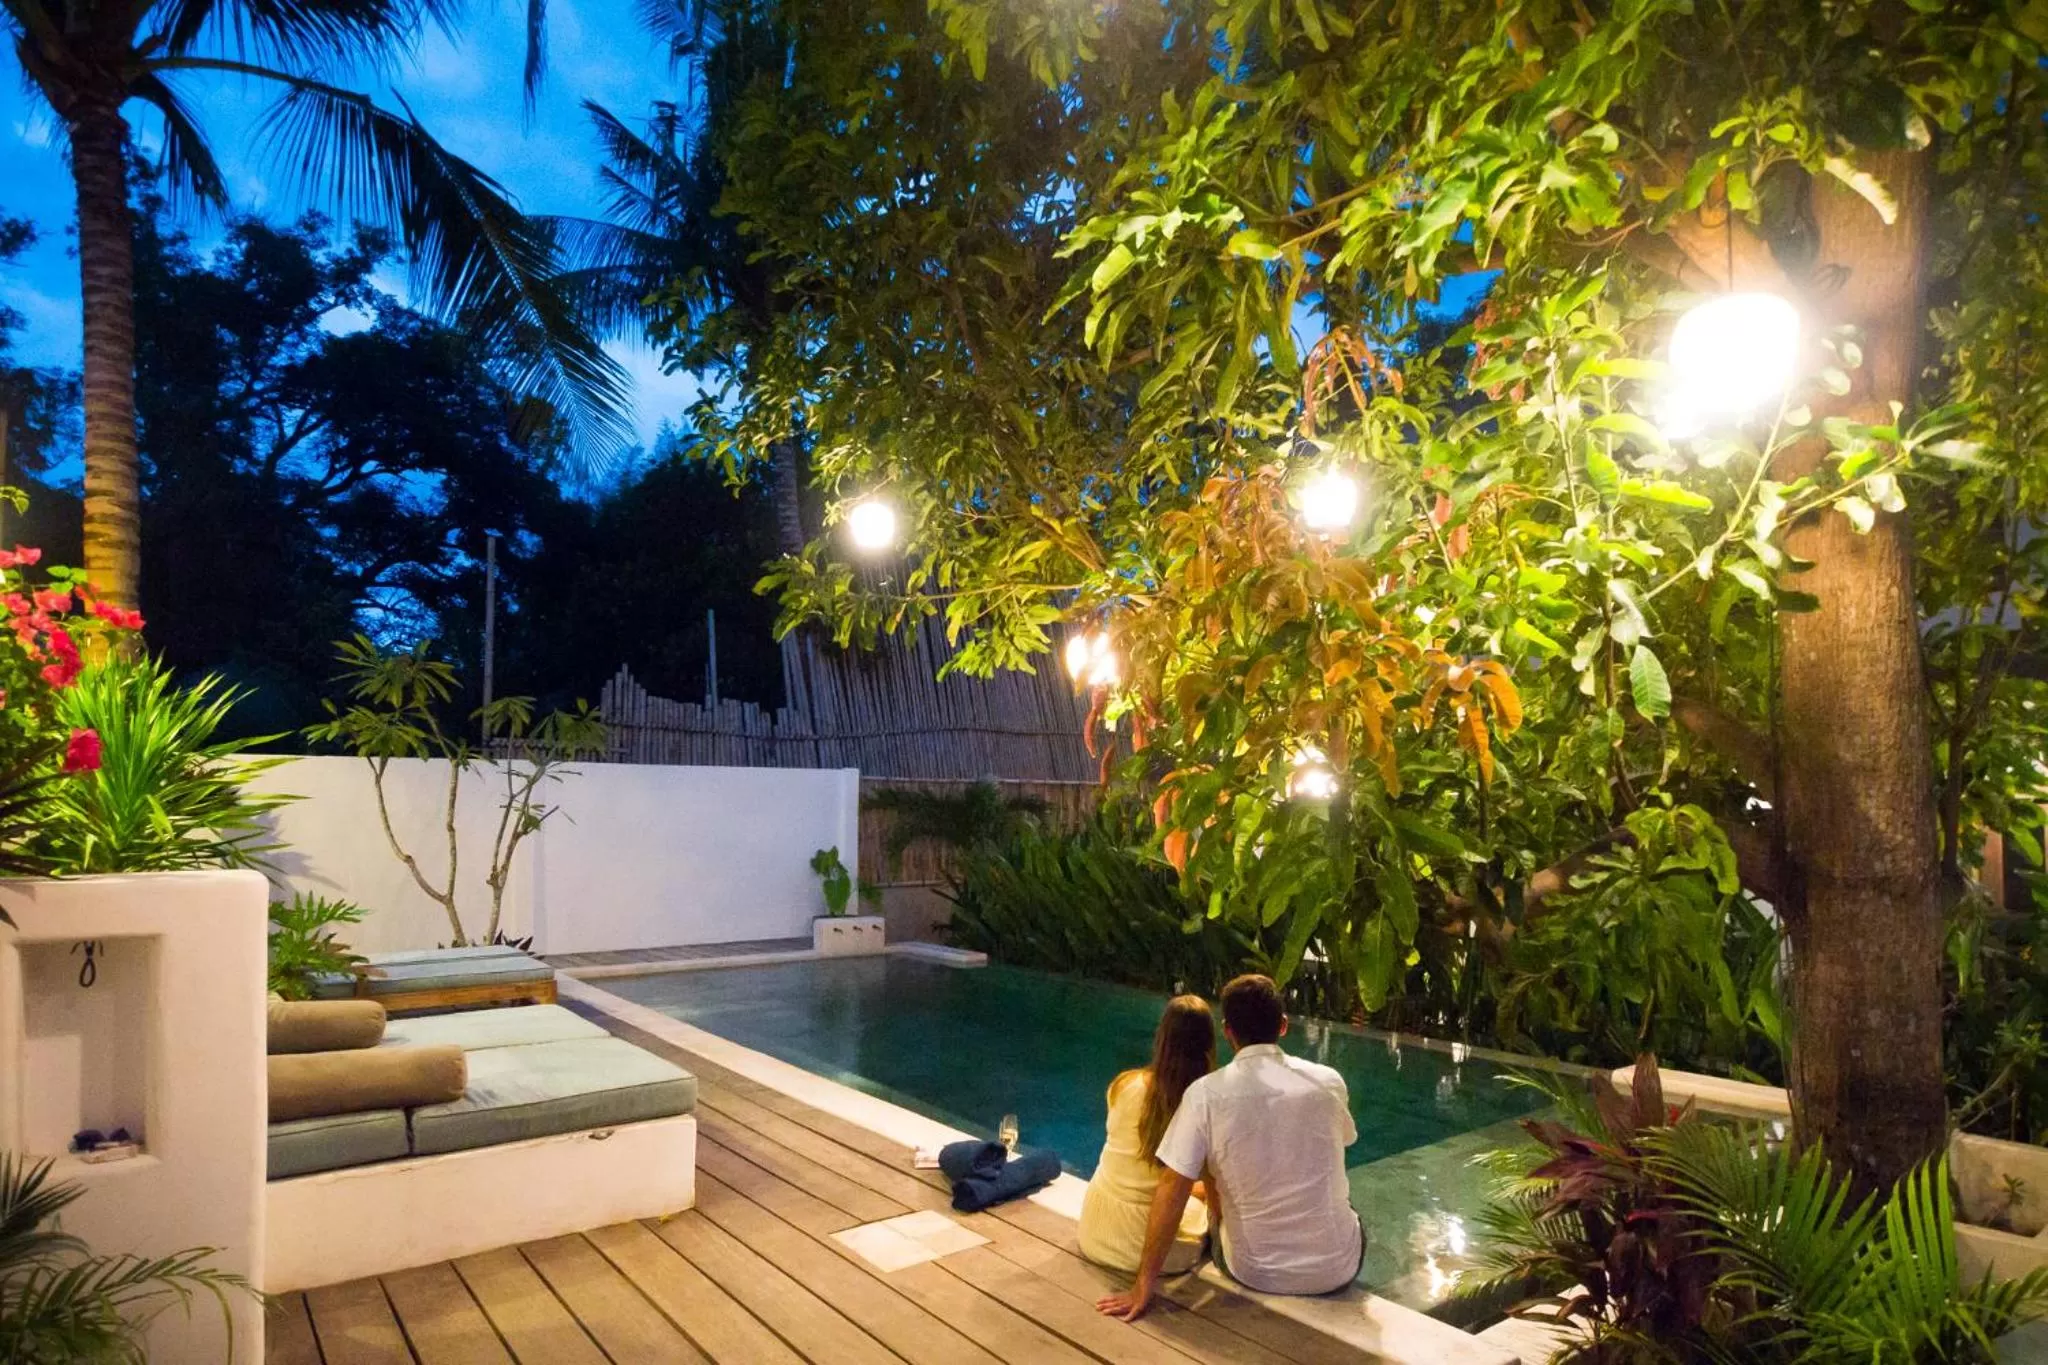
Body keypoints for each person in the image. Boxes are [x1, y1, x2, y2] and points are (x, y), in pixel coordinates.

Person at [1096, 973, 1363, 1321]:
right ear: (1283, 1026)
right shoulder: (1329, 1081)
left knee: (1216, 1207)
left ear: (1228, 1031)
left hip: (1255, 1271)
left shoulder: (1205, 1095)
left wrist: (1143, 1283)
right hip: (1337, 1269)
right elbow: (1339, 1145)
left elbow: (1172, 1187)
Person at [1077, 995, 1217, 1273]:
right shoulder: (1203, 1103)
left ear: (1161, 1037)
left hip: (1096, 1229)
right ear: (1208, 1045)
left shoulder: (1124, 1084)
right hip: (1148, 1250)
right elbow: (1212, 1196)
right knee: (1214, 1211)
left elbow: (1138, 1165)